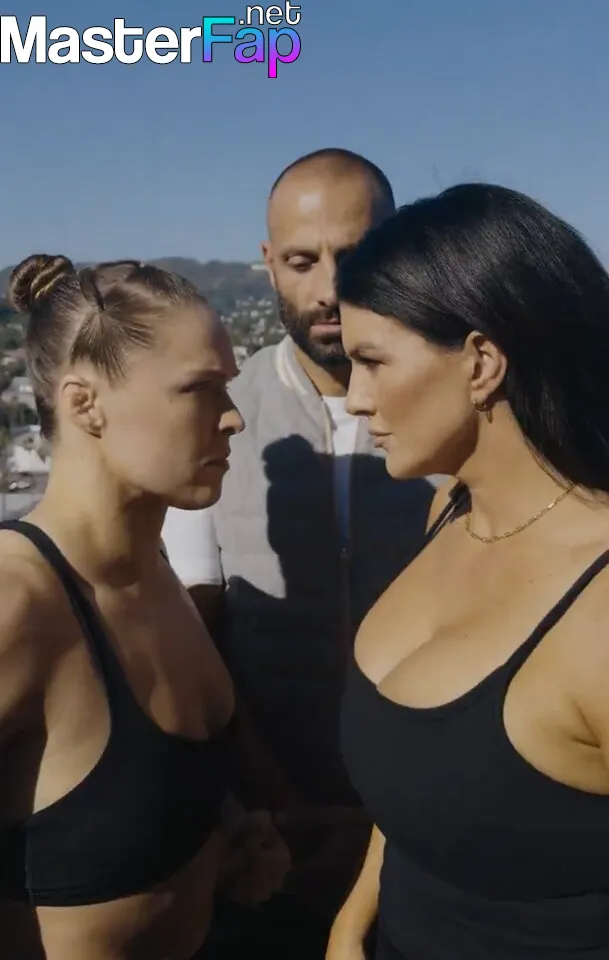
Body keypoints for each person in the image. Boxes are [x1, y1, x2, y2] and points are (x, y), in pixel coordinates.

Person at [161, 149, 438, 957]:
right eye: (300, 261)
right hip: (269, 842)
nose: (328, 290)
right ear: (267, 262)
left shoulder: (463, 406)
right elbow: (197, 634)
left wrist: (392, 823)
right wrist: (279, 801)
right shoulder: (220, 415)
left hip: (432, 834)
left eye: (354, 256)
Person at [328, 182, 609, 959]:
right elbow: (414, 785)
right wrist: (351, 922)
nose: (353, 399)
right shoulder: (446, 513)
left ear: (481, 362)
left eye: (371, 362)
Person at [0, 254, 290, 960]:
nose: (232, 419)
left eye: (228, 386)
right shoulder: (18, 603)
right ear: (84, 405)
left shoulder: (153, 570)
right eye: (199, 389)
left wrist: (227, 838)